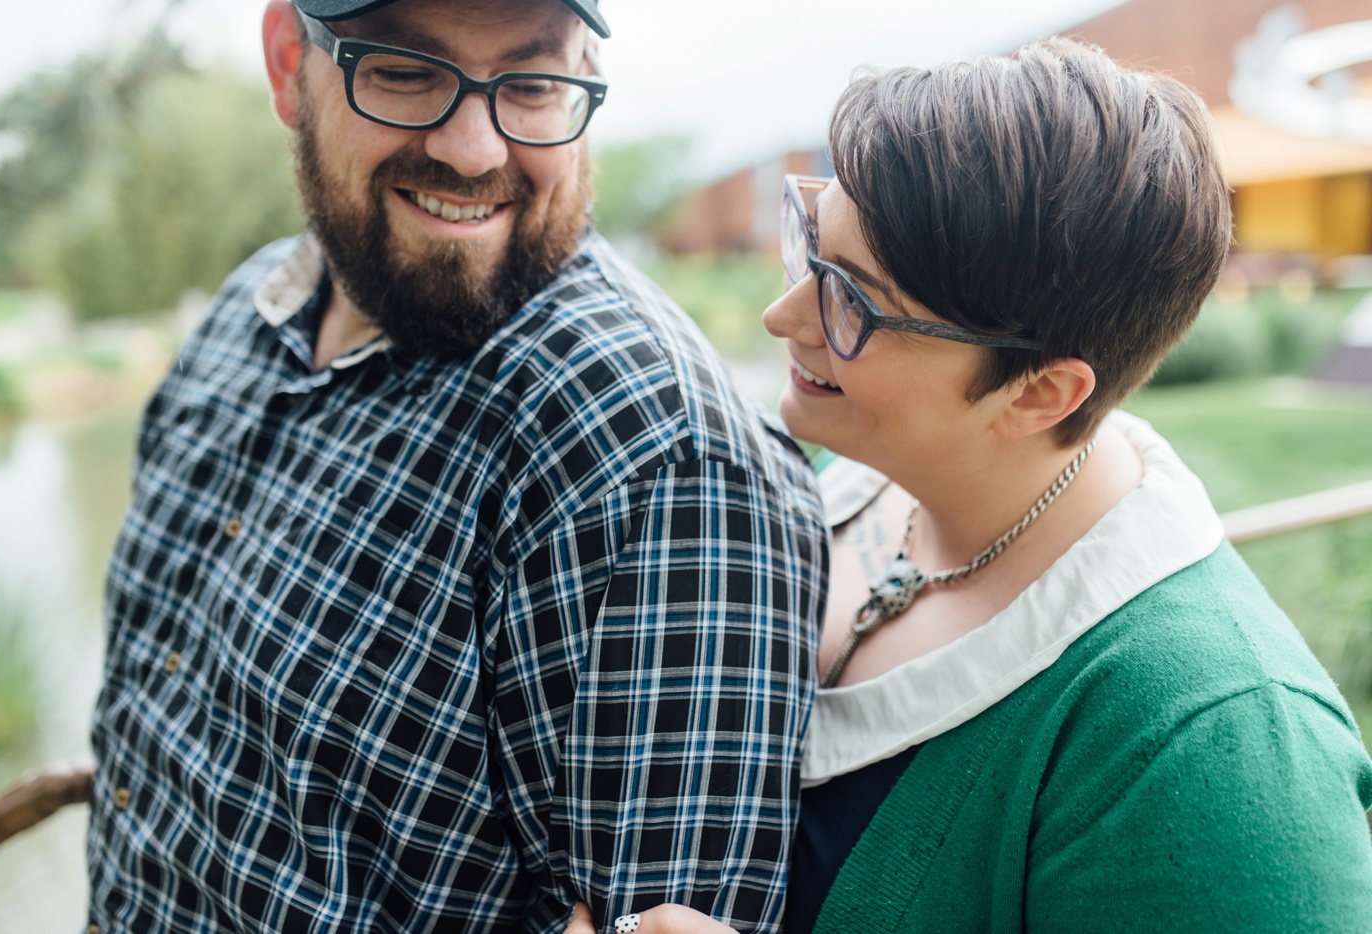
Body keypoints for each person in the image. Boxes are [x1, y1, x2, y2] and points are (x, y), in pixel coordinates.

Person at [567, 37, 1372, 934]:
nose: (781, 316)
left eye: (851, 301)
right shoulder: (844, 482)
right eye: (810, 246)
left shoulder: (1218, 745)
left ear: (1040, 394)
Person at [84, 0, 828, 930]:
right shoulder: (248, 310)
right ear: (288, 64)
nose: (474, 150)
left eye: (531, 84)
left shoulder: (653, 462)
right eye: (405, 73)